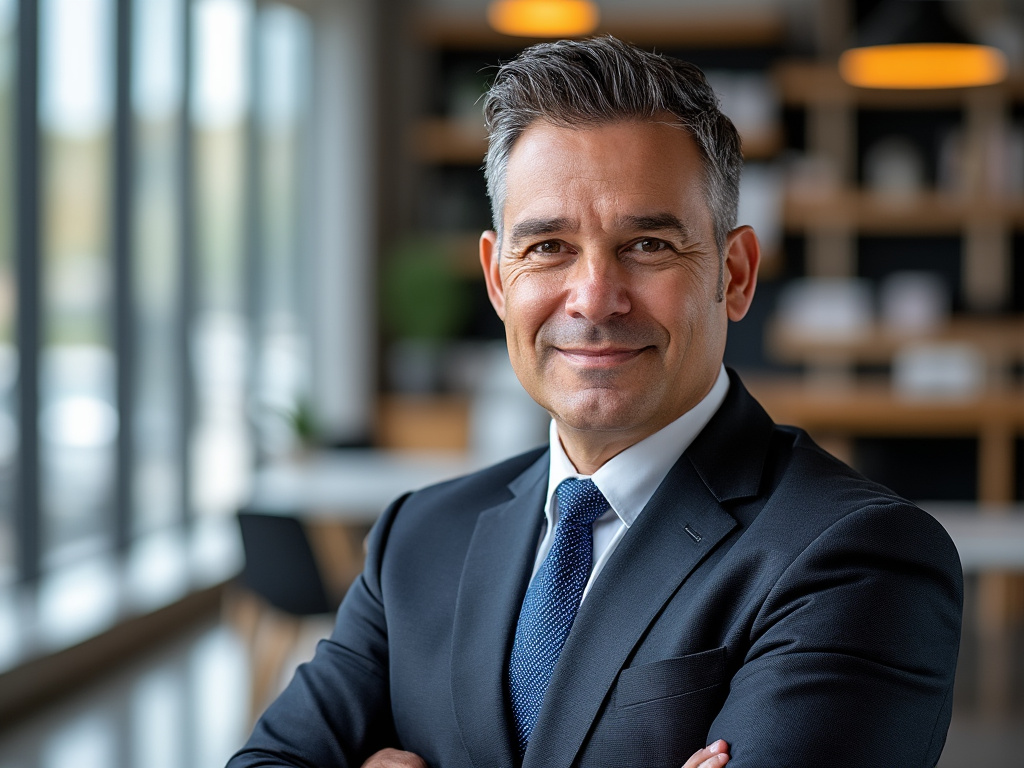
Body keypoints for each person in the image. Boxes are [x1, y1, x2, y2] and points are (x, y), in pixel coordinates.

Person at [228, 36, 962, 768]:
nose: (594, 299)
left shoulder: (858, 559)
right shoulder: (418, 538)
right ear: (496, 280)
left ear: (734, 275)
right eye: (547, 247)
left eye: (647, 245)